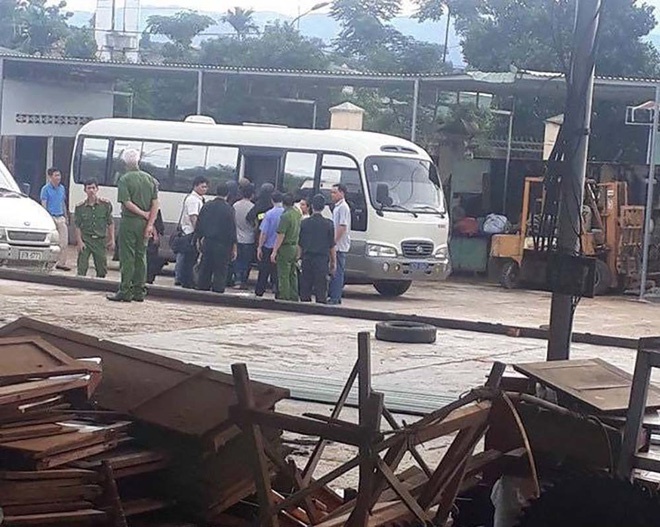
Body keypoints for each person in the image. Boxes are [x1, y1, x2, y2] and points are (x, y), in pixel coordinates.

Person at [107, 149, 159, 303]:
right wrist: (150, 224)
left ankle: (125, 291)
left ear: (124, 163)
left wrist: (142, 213)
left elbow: (126, 202)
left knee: (127, 257)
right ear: (138, 161)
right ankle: (139, 291)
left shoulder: (124, 179)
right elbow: (156, 203)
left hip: (130, 222)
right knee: (141, 257)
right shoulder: (150, 179)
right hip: (145, 224)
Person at [195, 182, 238, 294]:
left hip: (208, 242)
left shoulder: (207, 206)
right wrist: (234, 248)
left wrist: (199, 240)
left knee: (205, 268)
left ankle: (202, 289)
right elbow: (232, 230)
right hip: (223, 245)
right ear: (227, 194)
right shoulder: (229, 209)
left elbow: (199, 225)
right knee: (221, 270)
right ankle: (218, 290)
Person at [299, 194, 337, 304]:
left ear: (311, 206)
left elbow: (300, 243)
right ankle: (320, 307)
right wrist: (333, 262)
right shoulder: (329, 224)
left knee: (305, 285)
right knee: (321, 287)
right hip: (321, 259)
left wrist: (298, 258)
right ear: (323, 207)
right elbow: (332, 245)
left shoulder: (304, 223)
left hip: (307, 258)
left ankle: (305, 306)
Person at [73, 179, 115, 278]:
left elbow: (110, 223)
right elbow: (77, 226)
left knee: (101, 269)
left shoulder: (105, 205)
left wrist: (112, 239)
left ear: (97, 189)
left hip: (100, 241)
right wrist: (79, 242)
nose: (91, 190)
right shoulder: (80, 207)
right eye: (89, 188)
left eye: (93, 188)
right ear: (85, 190)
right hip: (86, 240)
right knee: (82, 268)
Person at [174, 176, 208, 289]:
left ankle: (185, 279)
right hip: (190, 233)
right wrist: (199, 234)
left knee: (189, 258)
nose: (205, 189)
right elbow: (194, 217)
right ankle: (186, 281)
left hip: (190, 232)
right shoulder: (193, 200)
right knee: (189, 259)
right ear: (195, 186)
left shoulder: (197, 199)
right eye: (202, 186)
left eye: (206, 187)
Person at [271, 193, 302, 302]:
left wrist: (274, 251)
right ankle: (294, 294)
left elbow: (281, 235)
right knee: (293, 273)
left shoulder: (285, 216)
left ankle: (284, 295)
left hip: (285, 247)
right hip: (294, 245)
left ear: (283, 203)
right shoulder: (297, 214)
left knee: (283, 273)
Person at [40, 168, 70, 271]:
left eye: (59, 175)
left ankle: (61, 263)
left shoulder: (62, 188)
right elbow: (44, 204)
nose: (58, 177)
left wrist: (66, 216)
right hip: (51, 217)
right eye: (56, 175)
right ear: (50, 177)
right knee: (52, 242)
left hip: (60, 217)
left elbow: (63, 203)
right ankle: (49, 263)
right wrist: (46, 219)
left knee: (64, 242)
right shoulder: (45, 189)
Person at [255, 191, 284, 297]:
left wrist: (259, 247)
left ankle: (259, 292)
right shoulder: (286, 213)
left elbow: (264, 232)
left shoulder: (269, 214)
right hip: (281, 247)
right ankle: (278, 291)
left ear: (272, 200)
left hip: (268, 247)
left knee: (263, 272)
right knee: (277, 273)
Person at [328, 183, 351, 305]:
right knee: (333, 270)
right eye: (331, 192)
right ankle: (334, 295)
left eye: (334, 192)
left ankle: (335, 297)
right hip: (336, 245)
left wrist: (333, 242)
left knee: (337, 271)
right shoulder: (337, 207)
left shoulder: (343, 207)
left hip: (339, 246)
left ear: (342, 193)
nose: (332, 195)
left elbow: (342, 227)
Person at [233, 183, 257, 289]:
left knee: (237, 260)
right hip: (249, 238)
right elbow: (256, 223)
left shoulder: (235, 205)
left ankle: (237, 280)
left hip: (237, 237)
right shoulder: (253, 207)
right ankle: (243, 281)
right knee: (246, 262)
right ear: (252, 195)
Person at [146, 210, 165, 285]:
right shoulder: (152, 208)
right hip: (151, 236)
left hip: (151, 235)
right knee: (151, 258)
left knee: (151, 258)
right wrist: (155, 235)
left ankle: (149, 277)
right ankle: (149, 277)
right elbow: (151, 221)